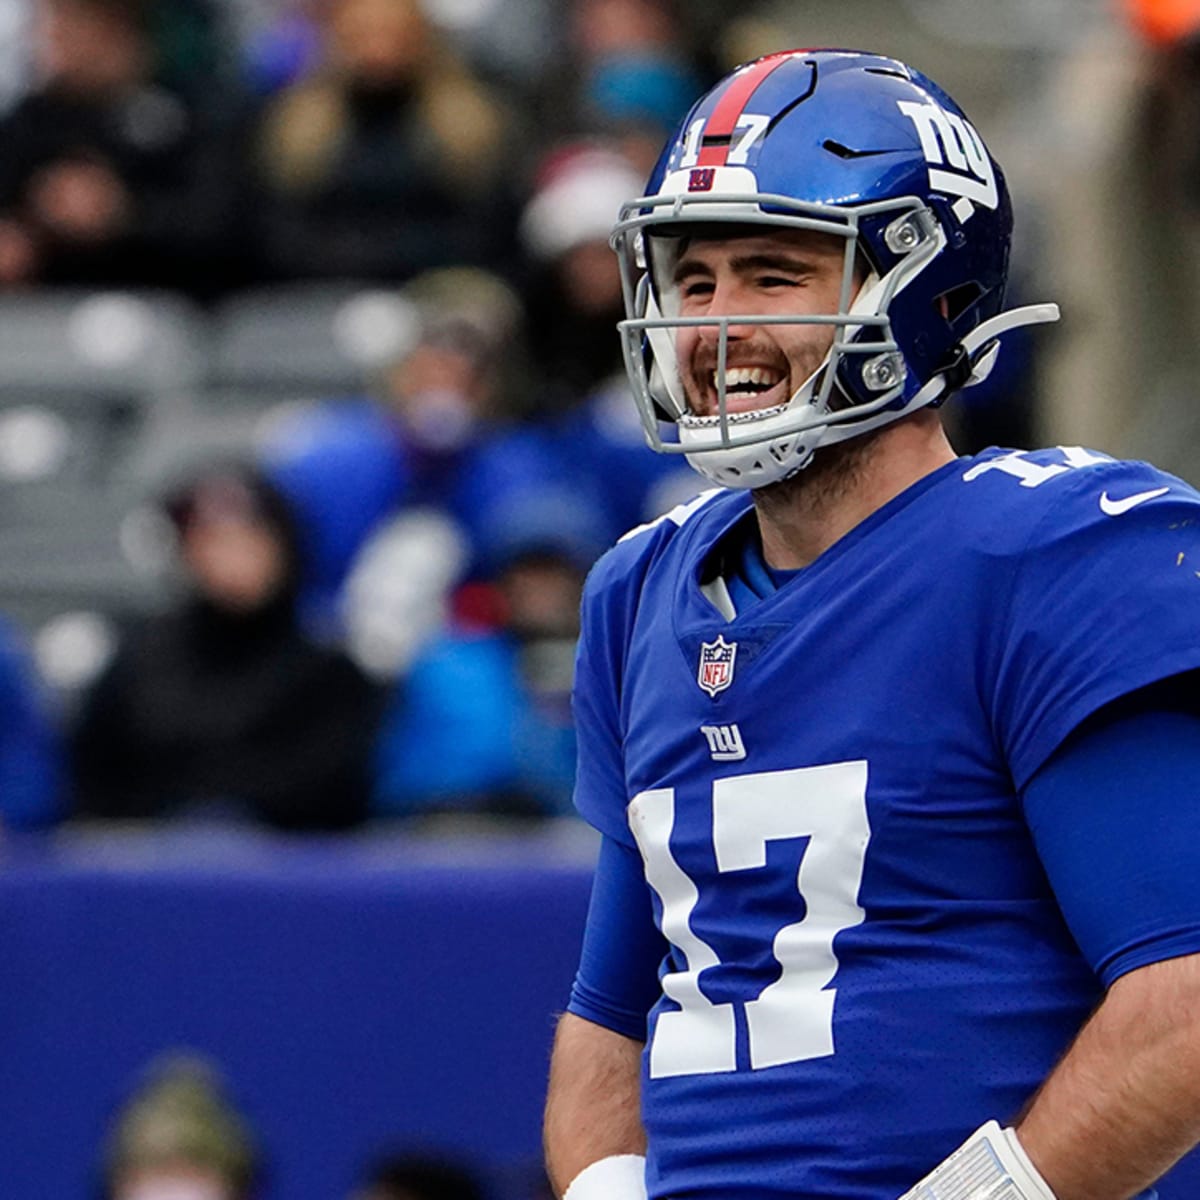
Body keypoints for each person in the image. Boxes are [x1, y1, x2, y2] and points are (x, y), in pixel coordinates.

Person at [543, 48, 1200, 1200]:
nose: (715, 325)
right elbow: (610, 1017)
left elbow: (1185, 1000)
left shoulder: (1047, 558)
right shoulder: (639, 590)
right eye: (692, 283)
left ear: (921, 286)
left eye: (771, 274)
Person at [70, 462, 380, 830]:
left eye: (251, 539)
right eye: (214, 541)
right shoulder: (137, 660)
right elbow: (96, 780)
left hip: (287, 877)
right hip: (149, 870)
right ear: (186, 553)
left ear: (285, 547)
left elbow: (331, 794)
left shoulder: (331, 672)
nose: (234, 559)